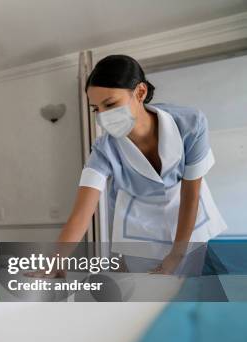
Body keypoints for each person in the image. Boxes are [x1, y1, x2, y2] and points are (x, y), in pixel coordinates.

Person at [33, 55, 227, 277]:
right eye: (96, 109)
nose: (103, 116)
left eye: (111, 104)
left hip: (187, 219)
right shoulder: (104, 150)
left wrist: (175, 255)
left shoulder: (191, 124)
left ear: (140, 92)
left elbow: (190, 195)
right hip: (141, 227)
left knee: (193, 290)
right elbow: (82, 213)